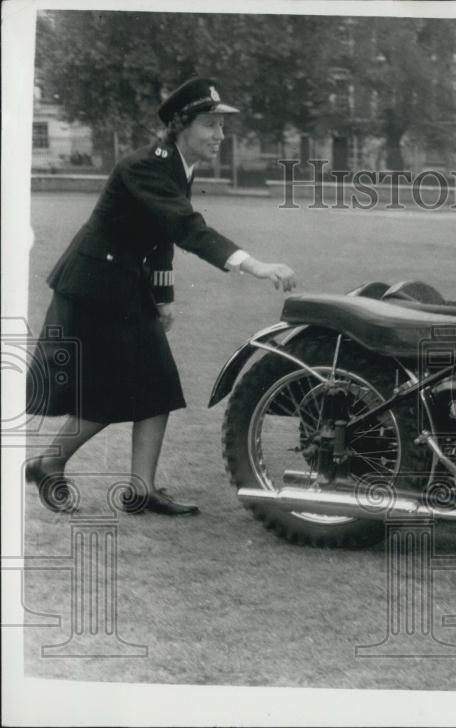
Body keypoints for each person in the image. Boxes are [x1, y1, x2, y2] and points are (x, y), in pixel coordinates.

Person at [24, 77, 297, 516]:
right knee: (120, 388)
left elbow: (163, 235)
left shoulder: (176, 167)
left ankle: (139, 489)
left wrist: (164, 294)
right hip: (94, 287)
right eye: (211, 125)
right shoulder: (146, 165)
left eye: (222, 128)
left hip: (124, 284)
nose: (219, 137)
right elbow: (188, 228)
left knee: (157, 385)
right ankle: (51, 461)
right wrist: (256, 265)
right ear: (181, 125)